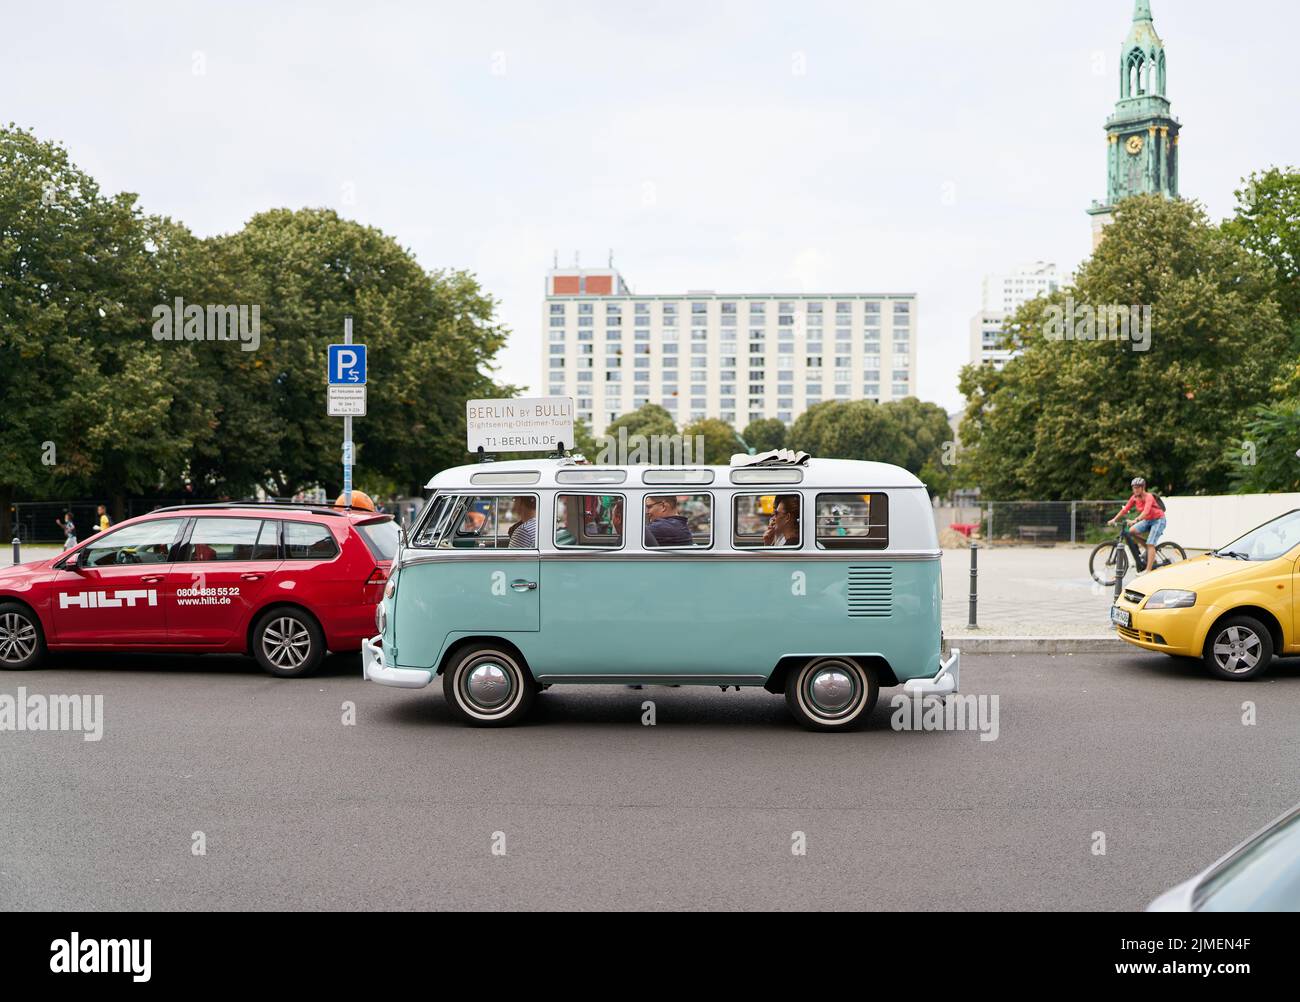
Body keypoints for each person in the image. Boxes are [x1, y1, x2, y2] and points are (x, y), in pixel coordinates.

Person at [1108, 476, 1166, 571]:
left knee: (1150, 544)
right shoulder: (1134, 498)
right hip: (1147, 520)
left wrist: (1135, 520)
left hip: (1158, 520)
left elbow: (1146, 511)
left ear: (1143, 487)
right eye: (1134, 487)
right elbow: (1125, 509)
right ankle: (1148, 549)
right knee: (1131, 531)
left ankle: (1148, 570)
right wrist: (1114, 519)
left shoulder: (1149, 497)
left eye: (1138, 487)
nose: (1135, 489)